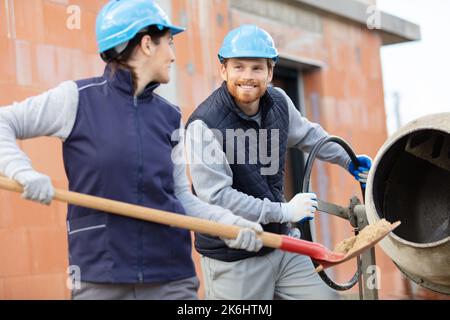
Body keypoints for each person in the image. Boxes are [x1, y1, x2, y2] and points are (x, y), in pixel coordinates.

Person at [0, 1, 263, 300]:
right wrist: (21, 171)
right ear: (147, 43)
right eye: (170, 43)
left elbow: (180, 197)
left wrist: (229, 223)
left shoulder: (170, 116)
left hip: (171, 279)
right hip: (101, 277)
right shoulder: (76, 100)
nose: (174, 56)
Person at [185, 24, 372, 300]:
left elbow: (309, 136)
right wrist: (284, 212)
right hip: (235, 256)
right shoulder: (204, 125)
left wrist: (349, 160)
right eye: (238, 67)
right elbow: (218, 199)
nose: (247, 76)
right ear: (223, 70)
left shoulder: (279, 103)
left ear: (270, 72)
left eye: (257, 68)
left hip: (283, 246)